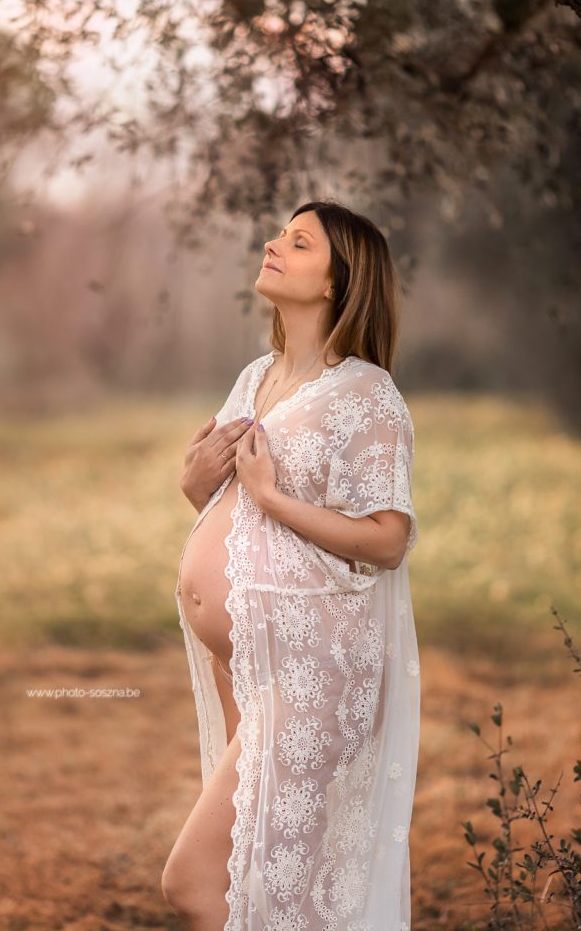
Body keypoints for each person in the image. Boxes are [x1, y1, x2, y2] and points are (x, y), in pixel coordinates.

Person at [162, 200, 420, 931]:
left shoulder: (369, 396)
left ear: (337, 283)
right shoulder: (254, 378)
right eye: (280, 233)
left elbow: (386, 538)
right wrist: (194, 487)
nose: (273, 243)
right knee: (266, 892)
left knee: (194, 885)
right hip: (250, 663)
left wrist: (271, 496)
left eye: (297, 241)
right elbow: (237, 519)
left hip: (311, 673)